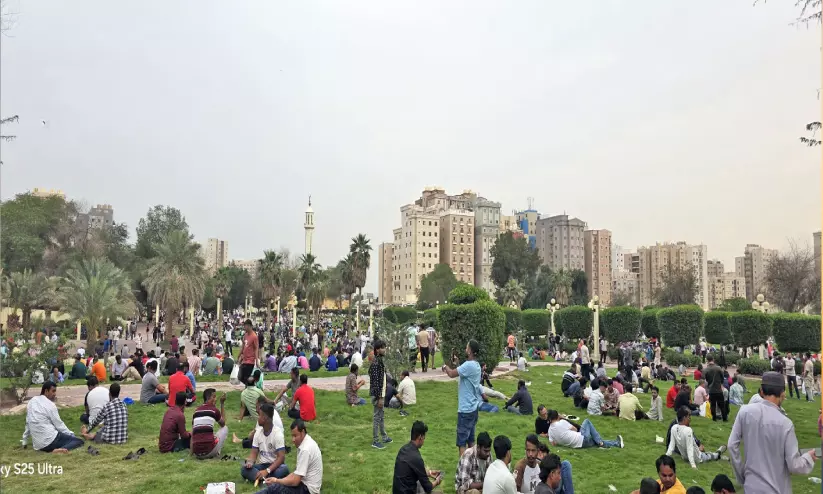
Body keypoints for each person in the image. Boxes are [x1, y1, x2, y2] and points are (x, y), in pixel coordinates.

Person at [728, 371, 816, 492]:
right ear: (783, 393)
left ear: (761, 391)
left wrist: (742, 475)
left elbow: (732, 445)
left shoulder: (744, 412)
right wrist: (808, 458)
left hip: (751, 487)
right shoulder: (785, 424)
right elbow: (794, 465)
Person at [257, 419, 323, 494]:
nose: (293, 440)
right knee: (276, 486)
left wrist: (276, 481)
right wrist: (278, 481)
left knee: (274, 488)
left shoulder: (305, 449)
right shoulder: (307, 442)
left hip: (308, 490)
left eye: (295, 436)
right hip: (305, 484)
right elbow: (296, 473)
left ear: (302, 432)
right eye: (292, 436)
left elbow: (295, 481)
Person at [442, 340, 483, 456]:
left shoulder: (468, 365)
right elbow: (463, 373)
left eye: (467, 347)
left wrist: (445, 366)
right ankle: (473, 464)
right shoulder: (476, 365)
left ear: (470, 351)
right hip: (473, 409)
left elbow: (451, 374)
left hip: (465, 410)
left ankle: (463, 467)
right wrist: (458, 364)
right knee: (471, 441)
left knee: (462, 443)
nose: (465, 349)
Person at [22, 382, 84, 453]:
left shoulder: (32, 401)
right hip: (51, 440)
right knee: (79, 441)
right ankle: (58, 450)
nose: (55, 394)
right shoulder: (50, 404)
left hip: (38, 446)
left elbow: (28, 422)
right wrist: (71, 435)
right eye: (53, 391)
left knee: (58, 434)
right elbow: (59, 425)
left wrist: (24, 441)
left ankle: (52, 449)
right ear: (46, 391)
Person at [241, 402, 290, 482]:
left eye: (259, 415)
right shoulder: (258, 432)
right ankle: (266, 479)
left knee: (284, 469)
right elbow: (253, 453)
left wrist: (267, 471)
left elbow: (281, 457)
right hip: (262, 466)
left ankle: (261, 479)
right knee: (244, 469)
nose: (258, 418)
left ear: (265, 418)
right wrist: (250, 462)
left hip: (275, 466)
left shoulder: (277, 434)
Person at [392, 420, 442, 494]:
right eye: (424, 438)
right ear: (420, 437)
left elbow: (415, 470)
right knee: (439, 493)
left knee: (419, 482)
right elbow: (428, 487)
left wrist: (430, 473)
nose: (424, 440)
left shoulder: (403, 449)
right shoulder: (416, 458)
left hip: (397, 491)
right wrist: (437, 481)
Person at [547, 409, 623, 449]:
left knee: (595, 441)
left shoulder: (550, 430)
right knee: (587, 421)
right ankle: (600, 442)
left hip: (575, 445)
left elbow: (553, 444)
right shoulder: (562, 422)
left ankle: (616, 444)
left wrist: (562, 439)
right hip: (581, 439)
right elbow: (575, 429)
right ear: (557, 416)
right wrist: (563, 418)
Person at [191, 388, 228, 459]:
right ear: (211, 398)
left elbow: (193, 434)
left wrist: (191, 454)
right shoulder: (214, 410)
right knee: (225, 428)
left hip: (197, 454)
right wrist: (222, 403)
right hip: (209, 452)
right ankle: (217, 452)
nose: (216, 399)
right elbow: (223, 423)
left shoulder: (196, 411)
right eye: (214, 397)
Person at [369, 339, 392, 449]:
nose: (384, 349)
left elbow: (381, 378)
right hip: (378, 395)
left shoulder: (379, 361)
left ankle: (384, 436)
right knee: (377, 417)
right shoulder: (376, 362)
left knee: (381, 416)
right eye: (382, 347)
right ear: (377, 350)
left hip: (381, 394)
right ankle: (375, 440)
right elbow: (375, 382)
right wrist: (379, 398)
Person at [702, 356, 727, 422]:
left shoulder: (706, 369)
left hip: (711, 390)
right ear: (713, 359)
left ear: (707, 360)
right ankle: (724, 418)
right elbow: (722, 377)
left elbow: (703, 378)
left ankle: (714, 418)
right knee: (722, 405)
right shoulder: (718, 368)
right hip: (718, 389)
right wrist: (720, 382)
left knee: (713, 405)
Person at [239, 319, 259, 386]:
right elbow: (243, 346)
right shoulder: (245, 335)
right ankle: (251, 386)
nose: (244, 328)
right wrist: (239, 356)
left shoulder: (254, 336)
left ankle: (250, 387)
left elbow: (256, 349)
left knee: (246, 377)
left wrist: (257, 360)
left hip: (250, 360)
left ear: (249, 326)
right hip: (244, 360)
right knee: (240, 376)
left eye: (245, 326)